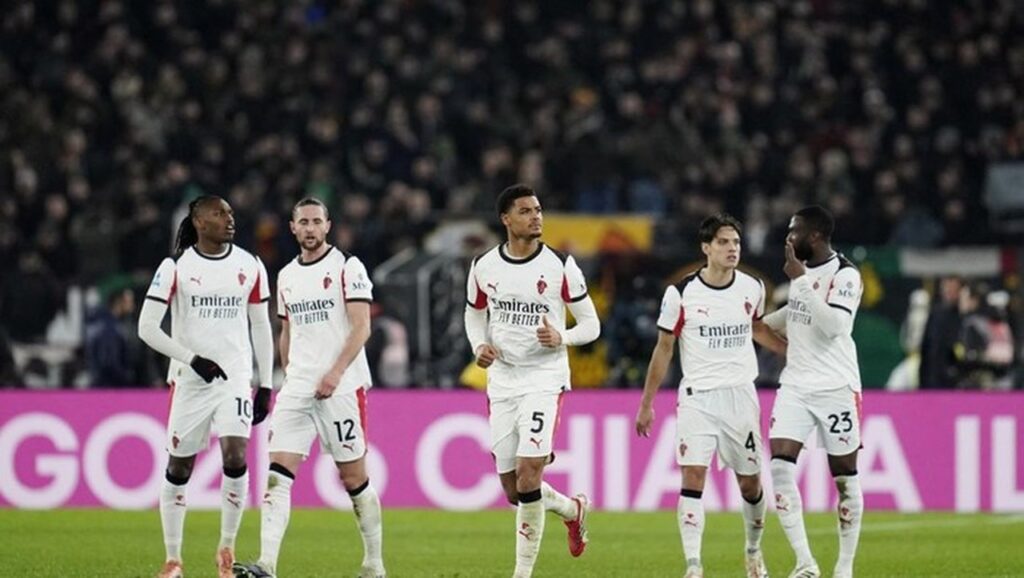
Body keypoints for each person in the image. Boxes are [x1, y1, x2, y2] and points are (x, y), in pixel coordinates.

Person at [234, 198, 385, 578]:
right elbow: (287, 330)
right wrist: (289, 372)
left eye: (317, 221)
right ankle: (267, 564)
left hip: (342, 387)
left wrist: (334, 372)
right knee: (277, 474)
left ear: (328, 226)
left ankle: (374, 564)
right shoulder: (286, 275)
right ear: (293, 228)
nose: (311, 228)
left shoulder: (347, 266)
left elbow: (362, 326)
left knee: (354, 479)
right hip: (298, 388)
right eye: (304, 222)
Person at [635, 213, 786, 578]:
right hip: (697, 398)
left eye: (736, 242)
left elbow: (756, 329)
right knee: (692, 477)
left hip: (740, 396)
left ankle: (753, 551)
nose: (732, 248)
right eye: (723, 242)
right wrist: (646, 404)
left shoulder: (752, 287)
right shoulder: (681, 293)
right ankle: (693, 566)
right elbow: (664, 347)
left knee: (750, 484)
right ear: (706, 248)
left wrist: (791, 352)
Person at [464, 184, 601, 578]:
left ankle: (521, 574)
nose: (536, 216)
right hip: (502, 381)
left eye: (538, 209)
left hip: (544, 378)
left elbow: (591, 324)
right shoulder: (484, 265)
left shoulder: (560, 266)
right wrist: (479, 345)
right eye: (525, 211)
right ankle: (572, 509)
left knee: (529, 473)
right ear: (506, 219)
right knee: (515, 490)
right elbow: (474, 313)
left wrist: (563, 337)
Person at [138, 195, 274, 578]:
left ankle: (226, 551)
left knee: (235, 455)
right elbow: (146, 328)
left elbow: (260, 324)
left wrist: (265, 383)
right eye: (219, 213)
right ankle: (173, 560)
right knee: (179, 466)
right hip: (189, 381)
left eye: (230, 212)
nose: (229, 219)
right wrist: (192, 359)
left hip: (234, 378)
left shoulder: (250, 264)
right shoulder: (176, 267)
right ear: (199, 222)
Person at [761, 206, 864, 578]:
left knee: (845, 479)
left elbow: (835, 326)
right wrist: (750, 322)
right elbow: (793, 317)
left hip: (836, 388)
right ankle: (805, 563)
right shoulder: (801, 275)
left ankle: (844, 567)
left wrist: (801, 281)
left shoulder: (845, 274)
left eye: (795, 231)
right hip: (796, 387)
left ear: (816, 236)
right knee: (779, 466)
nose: (789, 238)